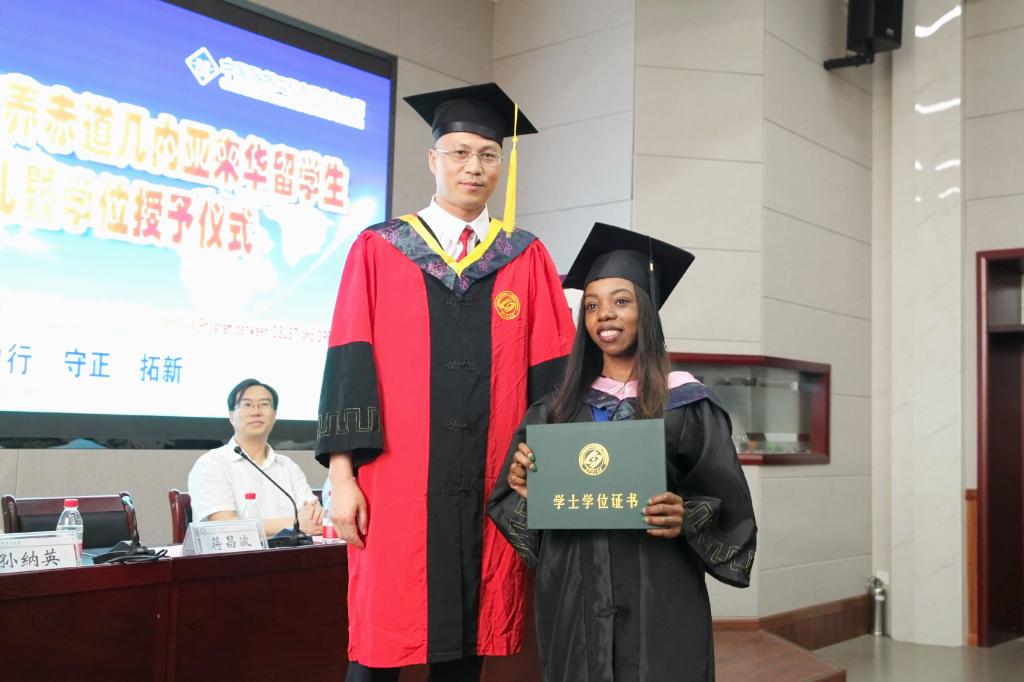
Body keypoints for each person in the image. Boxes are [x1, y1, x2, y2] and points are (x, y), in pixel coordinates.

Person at [316, 83, 576, 681]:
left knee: (466, 647)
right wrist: (342, 478)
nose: (473, 167)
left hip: (492, 484)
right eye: (459, 153)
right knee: (378, 647)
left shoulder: (524, 257)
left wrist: (550, 477)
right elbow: (349, 363)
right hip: (394, 485)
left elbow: (552, 376)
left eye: (488, 155)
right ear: (433, 159)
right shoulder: (380, 248)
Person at [487, 223, 758, 682]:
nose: (604, 315)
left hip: (660, 595)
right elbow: (512, 507)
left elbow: (729, 506)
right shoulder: (555, 410)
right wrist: (527, 490)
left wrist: (686, 515)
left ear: (645, 311)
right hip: (574, 597)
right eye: (592, 305)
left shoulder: (686, 404)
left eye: (621, 301)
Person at [188, 378, 323, 538]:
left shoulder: (288, 466)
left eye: (264, 404)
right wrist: (296, 523)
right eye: (247, 404)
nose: (256, 412)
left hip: (292, 552)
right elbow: (224, 526)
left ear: (274, 415)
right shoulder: (211, 464)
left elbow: (314, 515)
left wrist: (310, 519)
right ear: (231, 416)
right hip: (237, 554)